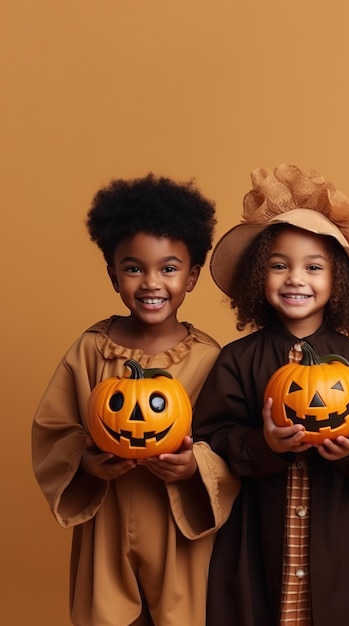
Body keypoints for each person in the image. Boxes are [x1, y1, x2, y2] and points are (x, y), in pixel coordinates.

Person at [193, 164, 349, 626]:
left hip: (336, 545)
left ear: (337, 282)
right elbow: (209, 438)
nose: (296, 279)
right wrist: (261, 446)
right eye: (279, 265)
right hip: (256, 543)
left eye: (314, 267)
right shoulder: (237, 359)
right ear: (258, 276)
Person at [32, 173, 240, 626]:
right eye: (133, 268)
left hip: (178, 531)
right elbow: (54, 429)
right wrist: (84, 463)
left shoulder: (211, 359)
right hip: (105, 524)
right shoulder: (91, 350)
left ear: (192, 277)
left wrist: (195, 466)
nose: (151, 283)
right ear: (113, 275)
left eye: (168, 268)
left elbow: (231, 444)